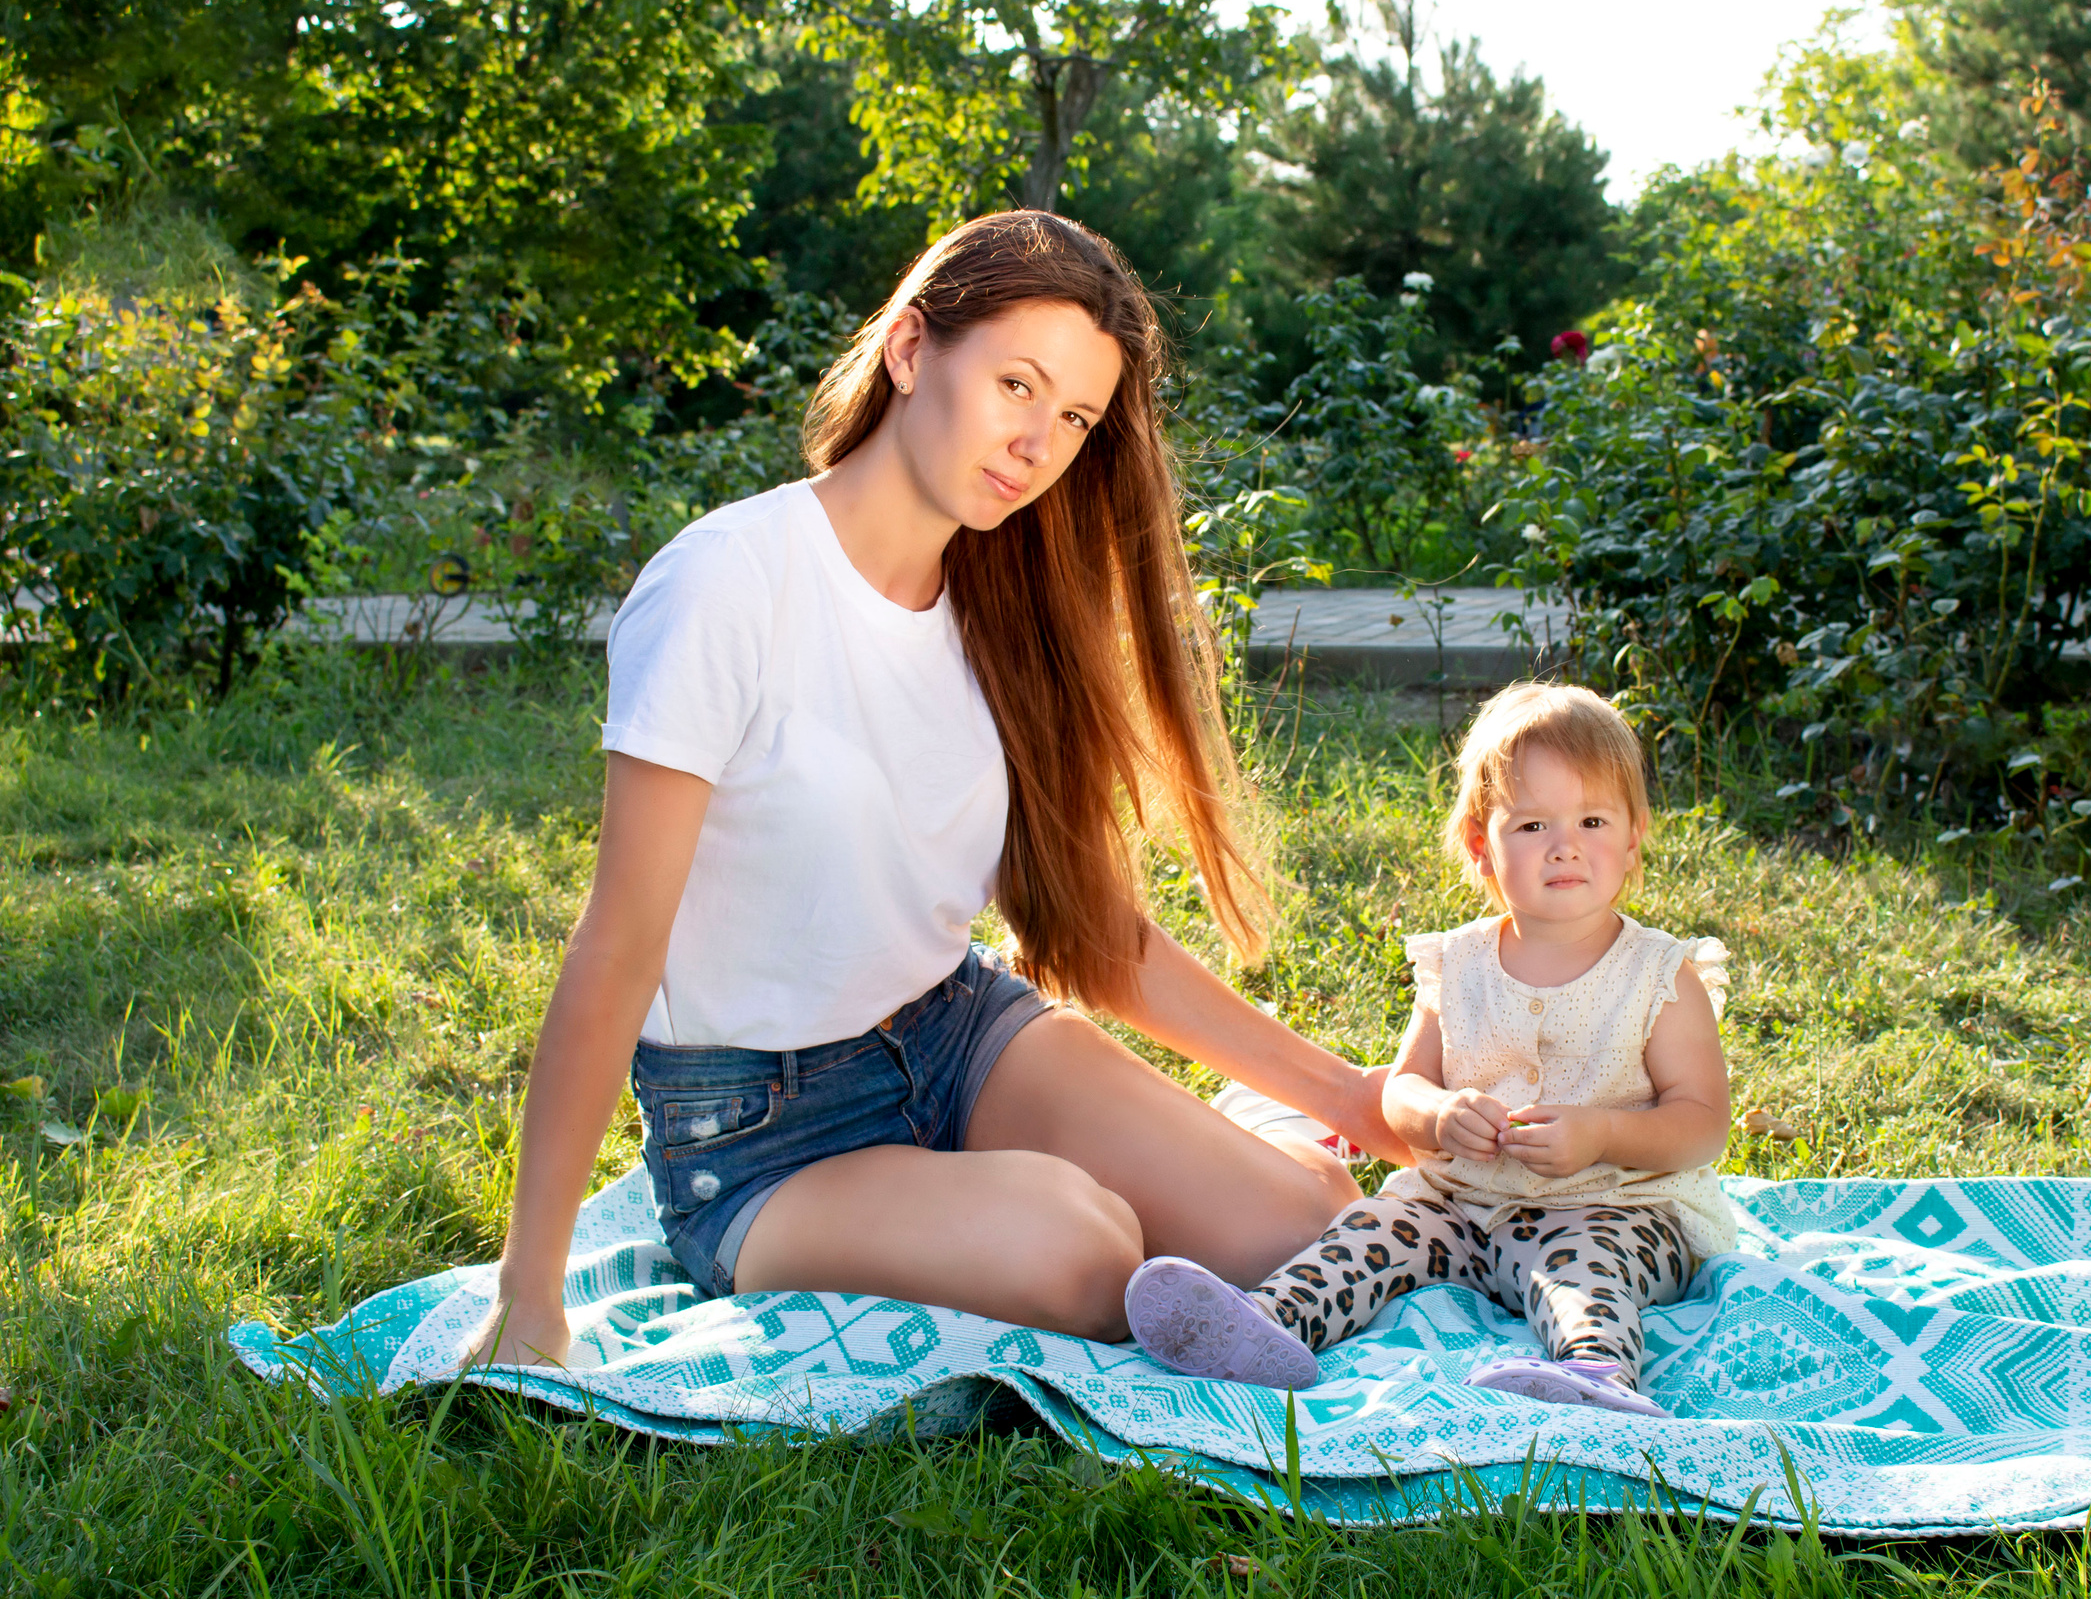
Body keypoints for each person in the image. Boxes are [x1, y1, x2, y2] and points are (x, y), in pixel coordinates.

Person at [467, 212, 1400, 1370]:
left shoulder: (1005, 609)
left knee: (1306, 1231)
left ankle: (1274, 1149)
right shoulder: (725, 584)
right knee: (1083, 1251)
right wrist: (529, 1292)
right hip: (764, 1136)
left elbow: (1090, 935)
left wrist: (1359, 1101)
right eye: (1017, 383)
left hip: (959, 1034)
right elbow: (616, 946)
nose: (1036, 443)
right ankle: (1042, 1190)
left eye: (1073, 419)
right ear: (910, 350)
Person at [1122, 683, 1734, 1417]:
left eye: (1592, 820)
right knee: (1372, 1229)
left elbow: (1701, 1122)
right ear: (1482, 846)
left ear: (1633, 837)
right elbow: (1403, 1087)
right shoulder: (1459, 964)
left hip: (1618, 1207)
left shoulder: (1660, 975)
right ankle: (1266, 1323)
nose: (1565, 844)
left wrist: (1603, 1131)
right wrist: (1440, 1115)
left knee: (1587, 1270)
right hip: (1463, 1205)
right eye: (1533, 824)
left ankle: (1595, 1373)